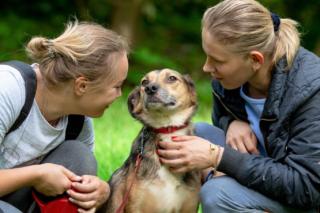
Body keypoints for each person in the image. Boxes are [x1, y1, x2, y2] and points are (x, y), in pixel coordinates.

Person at [157, 0, 320, 212]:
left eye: (217, 60)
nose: (207, 67)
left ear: (255, 59)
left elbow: (307, 187)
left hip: (305, 196)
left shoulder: (311, 90)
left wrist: (218, 158)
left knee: (217, 195)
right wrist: (232, 122)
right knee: (196, 133)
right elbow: (223, 120)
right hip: (264, 169)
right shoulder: (230, 80)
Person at [0, 21, 129, 213]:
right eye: (117, 86)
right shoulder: (8, 88)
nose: (119, 95)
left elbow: (83, 180)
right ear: (82, 85)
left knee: (78, 155)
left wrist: (101, 191)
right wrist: (36, 174)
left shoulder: (78, 121)